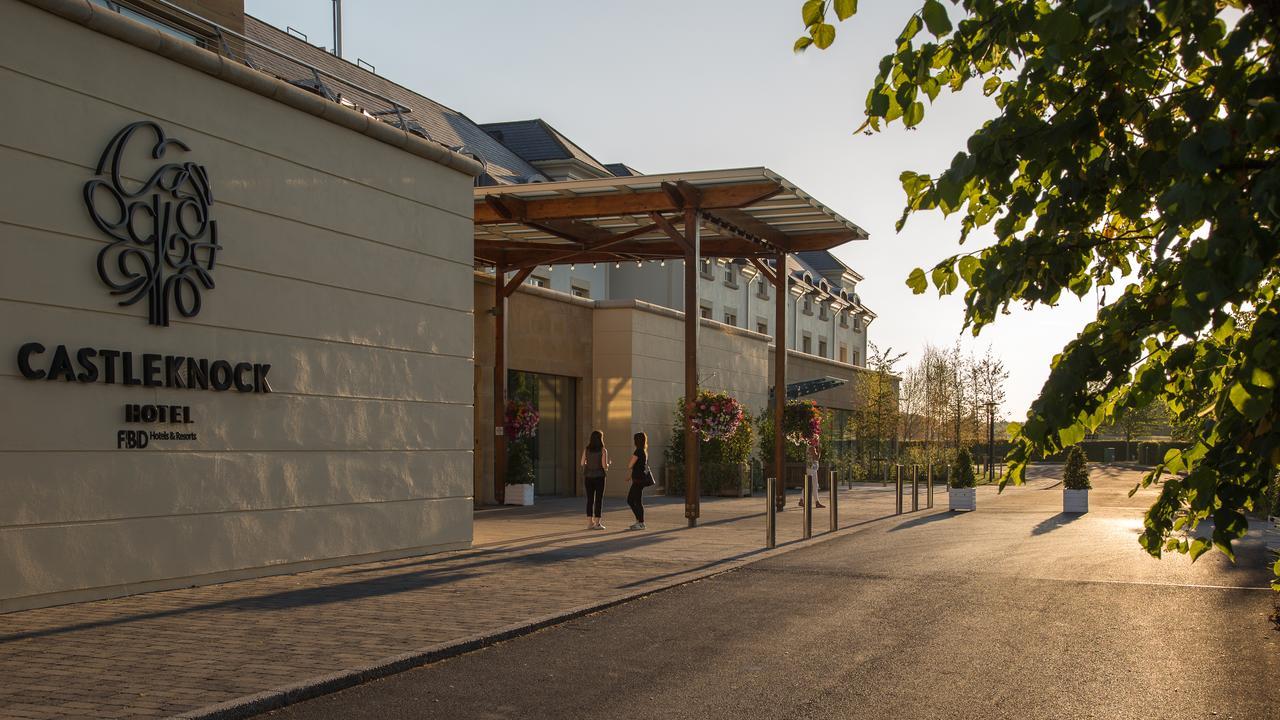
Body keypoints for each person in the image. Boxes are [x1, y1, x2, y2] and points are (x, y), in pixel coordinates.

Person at [580, 430, 609, 530]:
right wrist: (608, 464)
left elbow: (582, 463)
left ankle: (589, 523)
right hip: (600, 477)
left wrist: (589, 463)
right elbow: (604, 466)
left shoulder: (586, 449)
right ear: (600, 439)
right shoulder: (603, 450)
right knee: (599, 500)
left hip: (588, 476)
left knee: (590, 499)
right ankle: (597, 523)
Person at [627, 432, 649, 530]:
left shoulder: (638, 451)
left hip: (638, 480)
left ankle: (641, 522)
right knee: (634, 500)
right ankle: (639, 521)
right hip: (640, 479)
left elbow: (630, 465)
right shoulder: (644, 451)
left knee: (633, 500)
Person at [799, 443, 826, 509]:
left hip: (812, 468)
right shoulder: (811, 447)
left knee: (809, 485)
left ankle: (802, 500)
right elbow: (816, 458)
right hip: (811, 469)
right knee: (814, 485)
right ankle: (817, 502)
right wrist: (819, 451)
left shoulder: (811, 447)